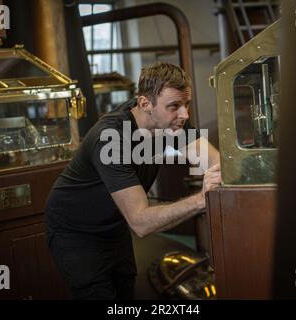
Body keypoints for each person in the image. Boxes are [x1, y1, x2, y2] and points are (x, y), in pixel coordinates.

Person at [45, 61, 221, 300]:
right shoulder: (111, 139)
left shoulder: (170, 123)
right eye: (174, 106)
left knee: (125, 289)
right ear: (145, 104)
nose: (184, 114)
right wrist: (202, 199)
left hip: (114, 224)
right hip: (77, 230)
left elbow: (214, 162)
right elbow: (140, 222)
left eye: (186, 104)